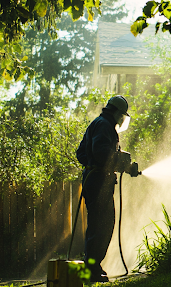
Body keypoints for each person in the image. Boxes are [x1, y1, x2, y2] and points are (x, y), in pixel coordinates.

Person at [76, 95, 131, 282]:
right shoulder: (105, 126)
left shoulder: (99, 124)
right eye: (122, 115)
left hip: (96, 181)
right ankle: (91, 268)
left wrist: (100, 164)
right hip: (99, 183)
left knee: (98, 225)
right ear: (116, 112)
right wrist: (119, 161)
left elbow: (82, 153)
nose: (122, 119)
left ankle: (93, 266)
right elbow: (101, 152)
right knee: (102, 225)